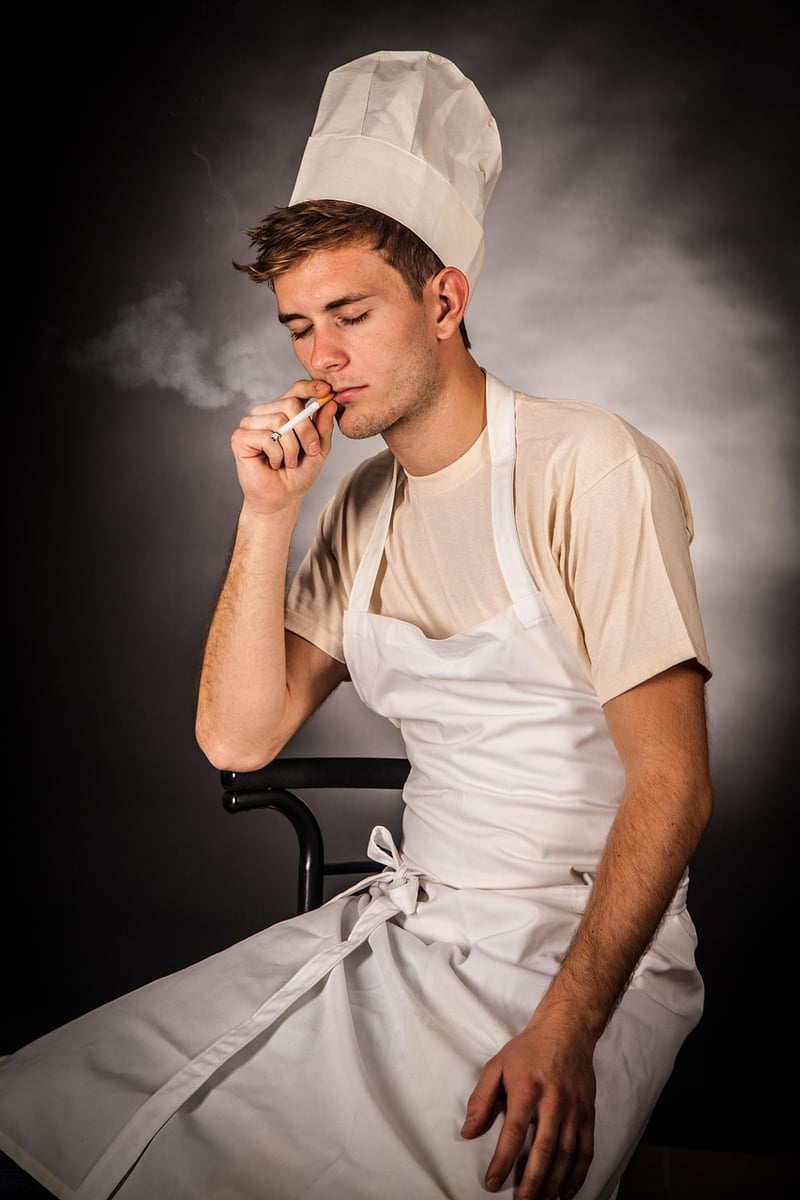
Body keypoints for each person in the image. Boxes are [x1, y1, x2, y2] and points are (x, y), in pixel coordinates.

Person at [0, 50, 712, 1200]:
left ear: (442, 300)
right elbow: (239, 739)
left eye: (349, 313)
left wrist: (565, 1031)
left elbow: (672, 786)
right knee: (65, 1106)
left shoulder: (589, 466)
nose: (320, 358)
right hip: (409, 929)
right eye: (295, 326)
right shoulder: (362, 510)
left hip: (582, 961)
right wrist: (266, 513)